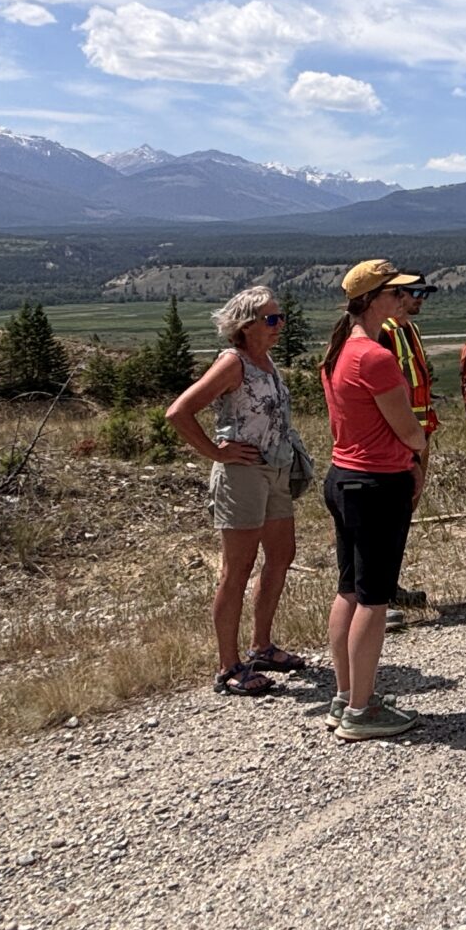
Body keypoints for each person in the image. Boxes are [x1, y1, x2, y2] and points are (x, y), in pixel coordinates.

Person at [167, 285, 310, 698]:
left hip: (275, 469)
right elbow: (179, 411)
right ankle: (229, 666)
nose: (279, 324)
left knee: (282, 555)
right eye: (271, 319)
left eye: (280, 317)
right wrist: (216, 451)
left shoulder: (265, 361)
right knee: (237, 570)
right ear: (246, 326)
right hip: (242, 475)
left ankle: (261, 646)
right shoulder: (233, 363)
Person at [320, 261, 431, 740]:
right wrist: (419, 456)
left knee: (350, 589)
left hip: (344, 476)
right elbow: (406, 427)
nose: (404, 299)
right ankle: (362, 712)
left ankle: (347, 695)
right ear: (374, 299)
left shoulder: (341, 350)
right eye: (395, 292)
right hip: (376, 483)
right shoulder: (375, 356)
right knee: (374, 598)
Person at [373, 278, 439, 610]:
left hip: (418, 435)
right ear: (397, 295)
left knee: (401, 517)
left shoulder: (408, 330)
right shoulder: (382, 332)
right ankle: (380, 596)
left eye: (424, 294)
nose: (420, 300)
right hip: (397, 440)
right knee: (387, 519)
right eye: (415, 293)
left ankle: (389, 587)